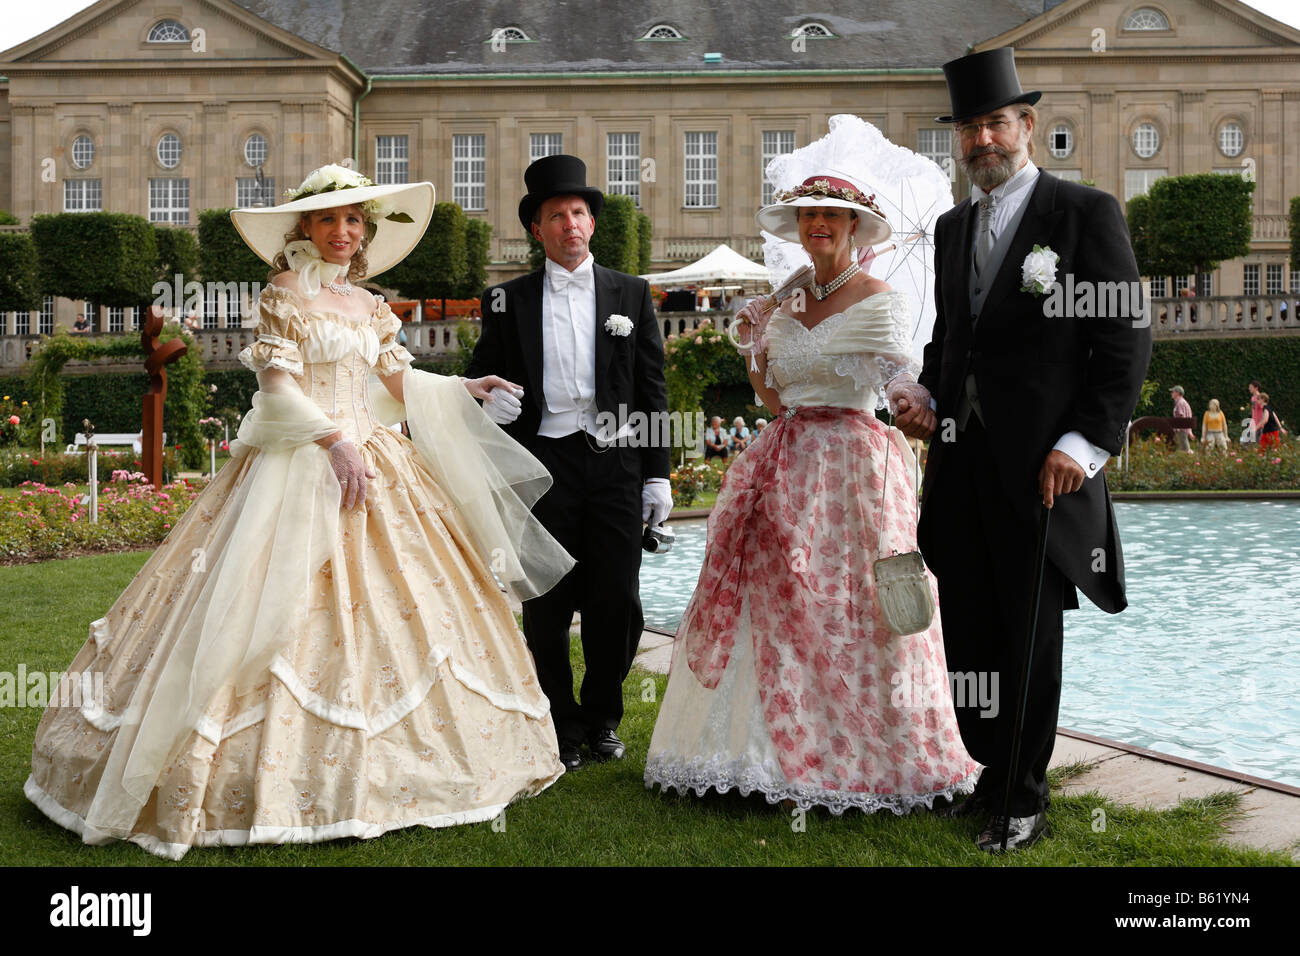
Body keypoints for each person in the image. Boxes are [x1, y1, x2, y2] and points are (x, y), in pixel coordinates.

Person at [25, 164, 573, 859]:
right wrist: (334, 440)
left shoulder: (372, 305)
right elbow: (276, 383)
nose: (342, 232)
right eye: (328, 221)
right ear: (304, 229)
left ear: (365, 231)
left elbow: (396, 377)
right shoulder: (284, 292)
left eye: (353, 221)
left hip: (373, 457)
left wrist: (465, 385)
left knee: (411, 604)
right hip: (300, 461)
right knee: (254, 603)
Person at [646, 155, 978, 815]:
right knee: (776, 601)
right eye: (809, 215)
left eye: (831, 215)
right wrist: (753, 350)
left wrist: (914, 406)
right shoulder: (787, 292)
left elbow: (893, 384)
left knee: (859, 607)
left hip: (855, 468)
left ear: (855, 228)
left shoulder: (881, 297)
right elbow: (773, 397)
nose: (818, 224)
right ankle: (763, 756)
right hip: (786, 457)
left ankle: (876, 756)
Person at [894, 48, 1150, 851]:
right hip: (962, 466)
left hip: (1043, 469)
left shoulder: (1085, 213)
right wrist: (926, 398)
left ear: (1026, 126)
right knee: (967, 628)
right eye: (968, 127)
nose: (981, 139)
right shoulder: (951, 226)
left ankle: (1024, 797)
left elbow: (1125, 339)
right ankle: (988, 772)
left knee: (1029, 635)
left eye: (995, 122)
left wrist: (1086, 443)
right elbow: (952, 341)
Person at [466, 154, 671, 771]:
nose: (570, 224)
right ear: (538, 229)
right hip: (542, 464)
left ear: (591, 222)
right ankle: (562, 726)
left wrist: (658, 473)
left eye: (579, 212)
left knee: (618, 602)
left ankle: (604, 717)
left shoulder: (630, 293)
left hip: (615, 465)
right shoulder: (505, 300)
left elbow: (652, 387)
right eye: (557, 215)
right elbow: (480, 377)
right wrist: (491, 405)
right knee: (547, 604)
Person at [1170, 385, 1194, 453]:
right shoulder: (1180, 402)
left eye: (1173, 392)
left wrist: (1179, 428)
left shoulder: (1180, 403)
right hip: (1182, 429)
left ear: (1177, 393)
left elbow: (1182, 417)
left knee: (1185, 450)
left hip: (1181, 429)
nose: (1171, 393)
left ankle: (1193, 461)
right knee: (1181, 448)